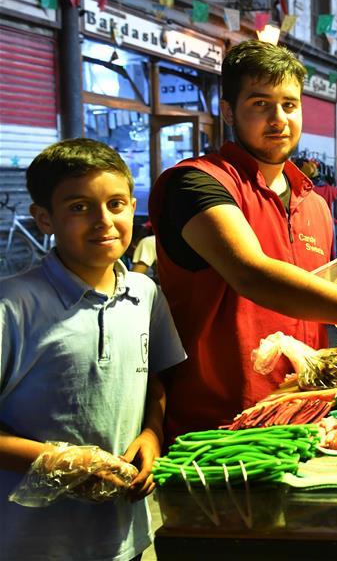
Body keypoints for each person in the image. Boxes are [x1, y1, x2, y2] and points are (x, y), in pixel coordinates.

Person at [149, 40, 337, 443]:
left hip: (307, 413)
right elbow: (251, 274)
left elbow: (307, 295)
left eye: (289, 105)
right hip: (218, 425)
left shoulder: (314, 204)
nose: (278, 119)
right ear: (227, 110)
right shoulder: (196, 183)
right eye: (260, 104)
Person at [0, 139, 185, 560]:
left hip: (122, 539)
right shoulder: (11, 305)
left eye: (116, 204)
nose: (104, 221)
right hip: (30, 544)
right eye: (79, 207)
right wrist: (59, 462)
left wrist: (153, 433)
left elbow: (155, 380)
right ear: (44, 218)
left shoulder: (145, 293)